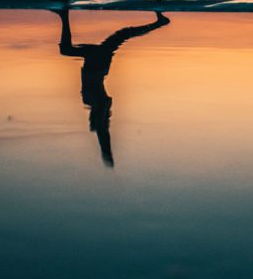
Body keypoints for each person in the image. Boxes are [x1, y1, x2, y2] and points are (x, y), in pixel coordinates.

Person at [57, 9, 170, 167]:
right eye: (93, 120)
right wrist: (105, 149)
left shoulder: (94, 102)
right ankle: (63, 16)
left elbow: (103, 129)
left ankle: (157, 24)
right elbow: (103, 130)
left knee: (122, 35)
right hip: (96, 63)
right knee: (122, 35)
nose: (90, 121)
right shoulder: (97, 103)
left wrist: (105, 147)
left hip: (98, 64)